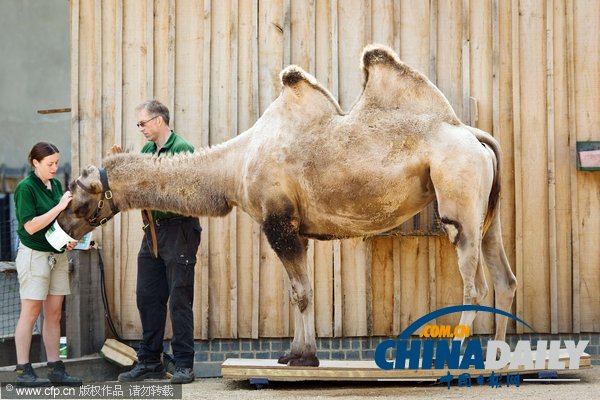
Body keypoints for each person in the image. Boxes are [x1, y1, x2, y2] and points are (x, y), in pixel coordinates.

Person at [117, 100, 201, 385]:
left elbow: (188, 194)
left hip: (179, 230)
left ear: (159, 121)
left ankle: (184, 364)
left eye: (142, 123)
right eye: (138, 124)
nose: (140, 128)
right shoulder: (146, 151)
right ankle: (150, 361)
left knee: (179, 298)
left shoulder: (182, 149)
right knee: (147, 296)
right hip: (151, 231)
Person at [13, 142, 81, 387]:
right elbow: (30, 226)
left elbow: (56, 223)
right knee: (30, 312)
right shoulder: (25, 188)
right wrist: (60, 206)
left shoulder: (55, 186)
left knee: (53, 314)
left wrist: (67, 240)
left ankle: (56, 369)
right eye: (49, 164)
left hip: (57, 255)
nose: (55, 167)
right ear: (35, 163)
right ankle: (23, 370)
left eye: (56, 162)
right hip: (35, 256)